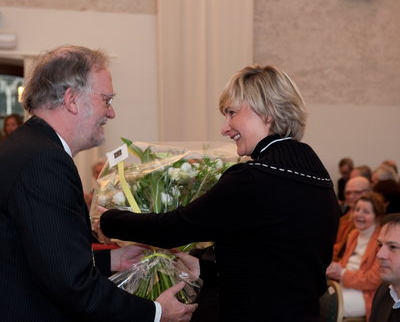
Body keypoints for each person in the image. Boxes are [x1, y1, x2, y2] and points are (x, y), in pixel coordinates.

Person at [99, 65, 340, 322]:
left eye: (232, 113)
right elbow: (276, 268)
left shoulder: (254, 179)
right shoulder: (319, 178)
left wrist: (109, 220)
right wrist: (203, 268)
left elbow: (173, 228)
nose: (225, 128)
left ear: (268, 112)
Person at [0, 45, 197, 322]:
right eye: (107, 99)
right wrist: (155, 311)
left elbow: (44, 257)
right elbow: (71, 284)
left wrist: (111, 261)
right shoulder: (44, 160)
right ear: (71, 99)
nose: (112, 112)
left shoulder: (29, 146)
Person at [326, 192, 385, 320]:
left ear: (377, 216)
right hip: (344, 285)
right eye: (357, 210)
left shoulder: (382, 241)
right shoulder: (354, 234)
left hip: (366, 294)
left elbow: (374, 280)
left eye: (366, 212)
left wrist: (341, 273)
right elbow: (344, 264)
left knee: (327, 306)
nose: (359, 215)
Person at [332, 176, 371, 261]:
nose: (351, 196)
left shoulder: (369, 221)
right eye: (348, 193)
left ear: (369, 192)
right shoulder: (343, 219)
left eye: (357, 192)